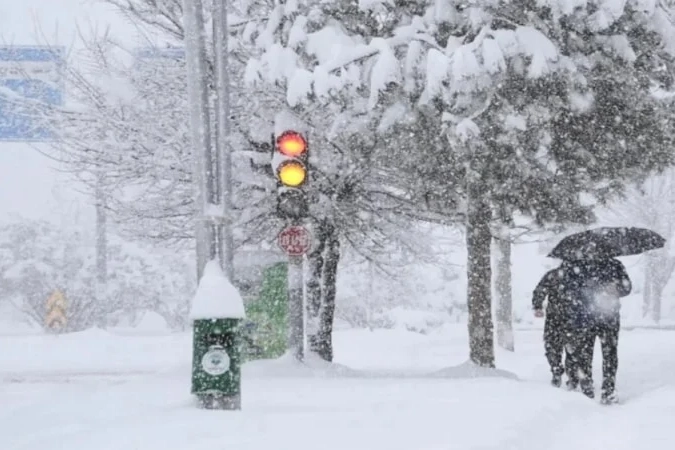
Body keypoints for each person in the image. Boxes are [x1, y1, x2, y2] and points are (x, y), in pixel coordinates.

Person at [564, 257, 631, 404]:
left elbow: (627, 288)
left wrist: (615, 288)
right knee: (585, 355)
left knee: (609, 354)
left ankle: (608, 390)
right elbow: (568, 288)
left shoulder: (615, 265)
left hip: (609, 318)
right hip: (585, 318)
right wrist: (585, 289)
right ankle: (586, 388)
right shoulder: (578, 265)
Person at [532, 265, 572, 388]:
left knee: (553, 346)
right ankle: (570, 374)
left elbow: (540, 290)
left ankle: (557, 370)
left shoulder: (553, 275)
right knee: (572, 348)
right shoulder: (578, 275)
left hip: (555, 316)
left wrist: (538, 305)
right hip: (572, 317)